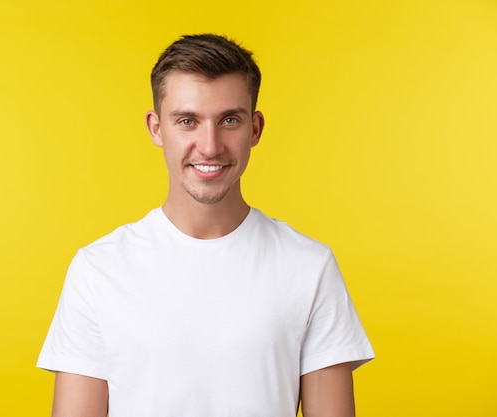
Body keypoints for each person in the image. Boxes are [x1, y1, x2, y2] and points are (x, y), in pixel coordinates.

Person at [37, 34, 374, 417]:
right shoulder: (98, 270)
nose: (210, 146)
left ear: (256, 129)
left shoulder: (309, 267)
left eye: (229, 120)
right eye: (187, 121)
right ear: (156, 129)